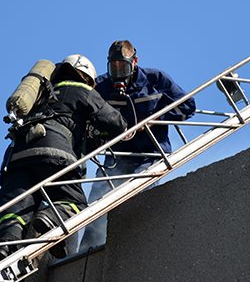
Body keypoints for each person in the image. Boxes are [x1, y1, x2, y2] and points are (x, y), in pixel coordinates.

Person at [0, 54, 127, 262]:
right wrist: (124, 130)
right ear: (86, 77)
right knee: (74, 202)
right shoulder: (81, 89)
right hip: (53, 151)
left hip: (17, 156)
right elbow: (114, 122)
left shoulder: (40, 94)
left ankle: (7, 243)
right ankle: (50, 218)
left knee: (18, 205)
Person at [76, 40, 196, 253]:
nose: (118, 73)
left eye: (123, 67)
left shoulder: (155, 80)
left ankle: (131, 247)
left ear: (134, 62)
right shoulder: (101, 87)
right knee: (96, 203)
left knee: (134, 195)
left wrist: (154, 120)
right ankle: (87, 254)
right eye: (114, 68)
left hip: (151, 155)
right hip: (116, 159)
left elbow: (188, 106)